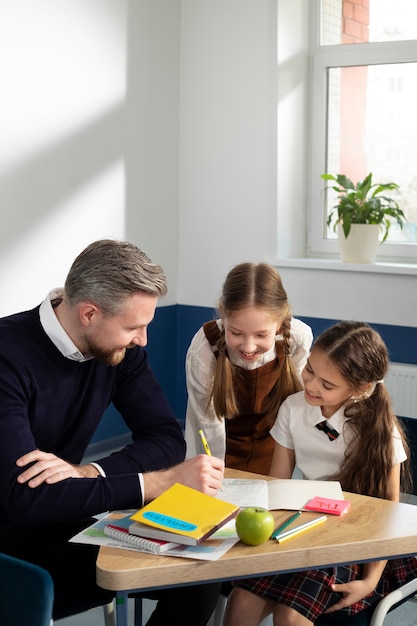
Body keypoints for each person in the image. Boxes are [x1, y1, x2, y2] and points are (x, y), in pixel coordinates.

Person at [0, 239, 224, 625]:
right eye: (133, 327)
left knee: (199, 572)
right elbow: (24, 499)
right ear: (89, 313)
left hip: (62, 521)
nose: (143, 340)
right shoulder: (6, 355)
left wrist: (91, 472)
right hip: (8, 544)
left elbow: (165, 436)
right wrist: (154, 484)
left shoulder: (120, 350)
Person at [223, 321, 417, 626]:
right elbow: (278, 488)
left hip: (357, 542)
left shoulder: (380, 432)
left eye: (327, 385)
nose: (311, 385)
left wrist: (369, 582)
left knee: (289, 617)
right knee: (240, 603)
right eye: (310, 369)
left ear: (362, 388)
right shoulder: (293, 408)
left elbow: (387, 517)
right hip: (304, 529)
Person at [184, 262, 313, 475]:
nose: (248, 347)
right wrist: (218, 477)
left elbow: (296, 403)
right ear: (223, 316)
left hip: (273, 448)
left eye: (261, 335)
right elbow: (208, 425)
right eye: (236, 333)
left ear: (279, 323)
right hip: (220, 448)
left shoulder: (298, 338)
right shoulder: (204, 349)